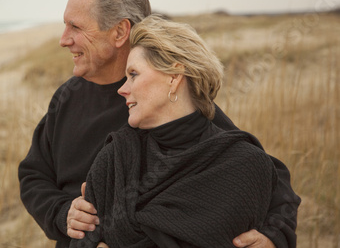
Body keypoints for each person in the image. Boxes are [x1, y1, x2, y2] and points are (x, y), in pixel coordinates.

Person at [18, 0, 300, 248]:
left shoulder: (166, 103)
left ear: (119, 32)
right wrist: (62, 213)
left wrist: (274, 236)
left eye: (76, 27)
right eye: (65, 26)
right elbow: (33, 173)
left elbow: (262, 172)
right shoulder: (67, 97)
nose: (64, 39)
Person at [69, 15, 279, 248]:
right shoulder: (114, 159)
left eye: (134, 74)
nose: (122, 89)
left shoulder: (245, 164)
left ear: (174, 77)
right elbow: (82, 240)